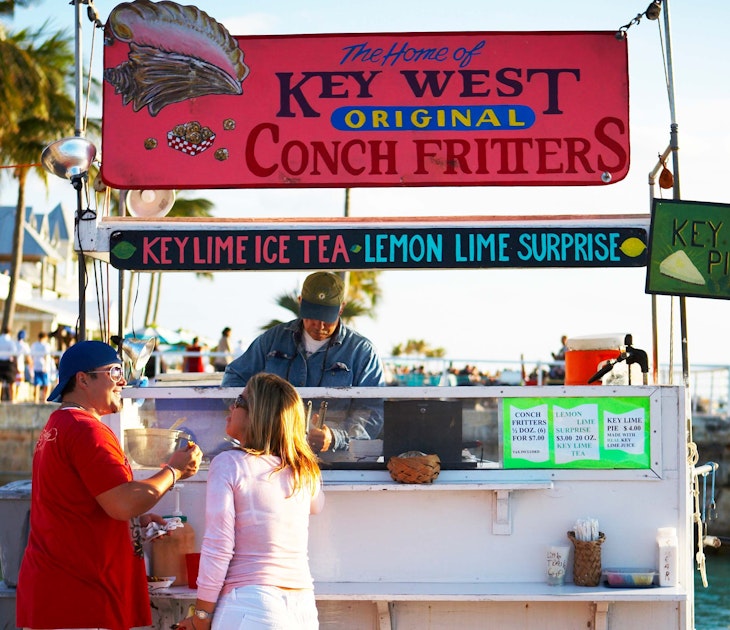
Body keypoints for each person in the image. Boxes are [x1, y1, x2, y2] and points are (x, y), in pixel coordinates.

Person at [16, 340, 203, 630]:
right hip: (82, 599)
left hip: (57, 595)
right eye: (114, 371)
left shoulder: (58, 425)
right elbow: (122, 502)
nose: (123, 380)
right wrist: (175, 471)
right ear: (83, 379)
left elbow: (80, 503)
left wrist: (133, 524)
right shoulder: (86, 430)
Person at [175, 372, 324, 630]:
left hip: (250, 606)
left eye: (239, 400)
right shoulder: (304, 471)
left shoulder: (229, 464)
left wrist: (201, 616)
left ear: (258, 414)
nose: (231, 406)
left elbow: (218, 547)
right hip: (302, 609)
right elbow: (316, 505)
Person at [223, 271, 385, 453]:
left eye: (326, 317)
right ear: (300, 302)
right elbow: (234, 378)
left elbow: (372, 410)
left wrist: (335, 438)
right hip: (272, 455)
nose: (319, 325)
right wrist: (256, 419)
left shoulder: (363, 352)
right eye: (313, 315)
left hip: (332, 463)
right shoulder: (272, 339)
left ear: (341, 308)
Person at [29, 331, 53, 403]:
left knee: (37, 384)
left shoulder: (34, 345)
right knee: (47, 384)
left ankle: (36, 400)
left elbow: (31, 356)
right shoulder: (46, 345)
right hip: (44, 367)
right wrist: (46, 366)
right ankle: (45, 399)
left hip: (36, 366)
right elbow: (46, 356)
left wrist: (31, 366)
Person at [0, 326, 17, 402]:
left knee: (0, 382)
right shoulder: (11, 341)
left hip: (0, 362)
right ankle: (12, 399)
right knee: (11, 382)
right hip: (8, 363)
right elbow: (14, 353)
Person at [15, 330, 31, 402]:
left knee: (13, 383)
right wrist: (31, 365)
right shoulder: (24, 345)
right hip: (20, 366)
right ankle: (16, 397)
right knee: (19, 383)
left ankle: (14, 397)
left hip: (13, 365)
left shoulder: (14, 343)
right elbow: (28, 357)